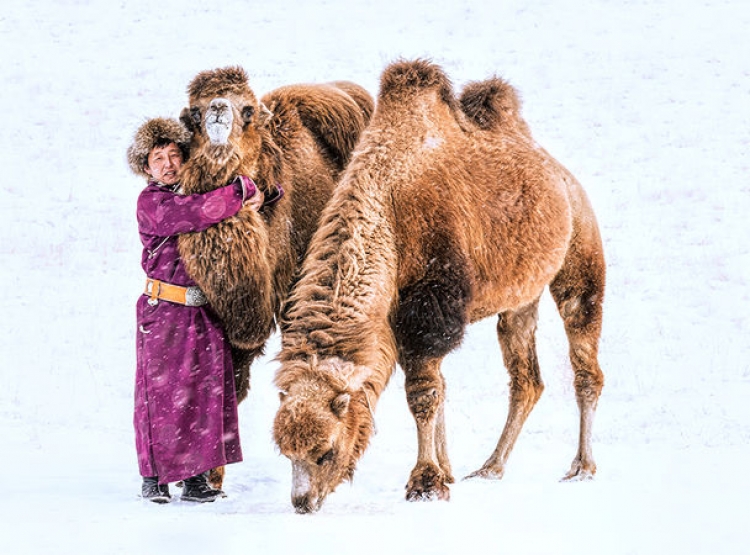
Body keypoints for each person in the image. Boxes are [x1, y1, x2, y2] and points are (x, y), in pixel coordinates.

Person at [126, 118, 263, 503]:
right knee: (160, 395)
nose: (168, 164)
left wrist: (261, 193)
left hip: (202, 311)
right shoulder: (153, 202)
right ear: (146, 167)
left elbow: (224, 201)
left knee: (203, 395)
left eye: (174, 156)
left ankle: (197, 479)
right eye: (158, 158)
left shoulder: (195, 194)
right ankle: (153, 477)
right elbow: (200, 210)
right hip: (164, 311)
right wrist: (243, 189)